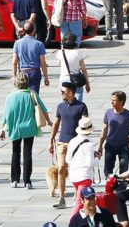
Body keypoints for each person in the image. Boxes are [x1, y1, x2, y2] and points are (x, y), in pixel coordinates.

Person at [48, 81, 89, 209]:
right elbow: (56, 123)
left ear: (70, 93)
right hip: (62, 142)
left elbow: (85, 123)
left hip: (76, 143)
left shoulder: (81, 106)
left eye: (63, 92)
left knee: (75, 170)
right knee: (61, 168)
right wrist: (51, 139)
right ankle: (61, 197)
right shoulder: (60, 106)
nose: (61, 94)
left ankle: (77, 195)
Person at [98, 90, 129, 177]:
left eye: (114, 100)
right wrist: (100, 146)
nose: (111, 102)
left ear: (121, 102)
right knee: (107, 171)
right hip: (110, 145)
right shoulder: (108, 112)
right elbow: (104, 129)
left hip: (123, 147)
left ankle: (121, 189)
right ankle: (110, 186)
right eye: (111, 100)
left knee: (124, 171)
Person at [66, 118, 99, 216]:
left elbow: (68, 159)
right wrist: (97, 159)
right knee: (80, 202)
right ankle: (72, 222)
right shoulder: (89, 144)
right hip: (84, 176)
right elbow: (90, 163)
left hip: (74, 175)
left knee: (80, 200)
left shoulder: (73, 141)